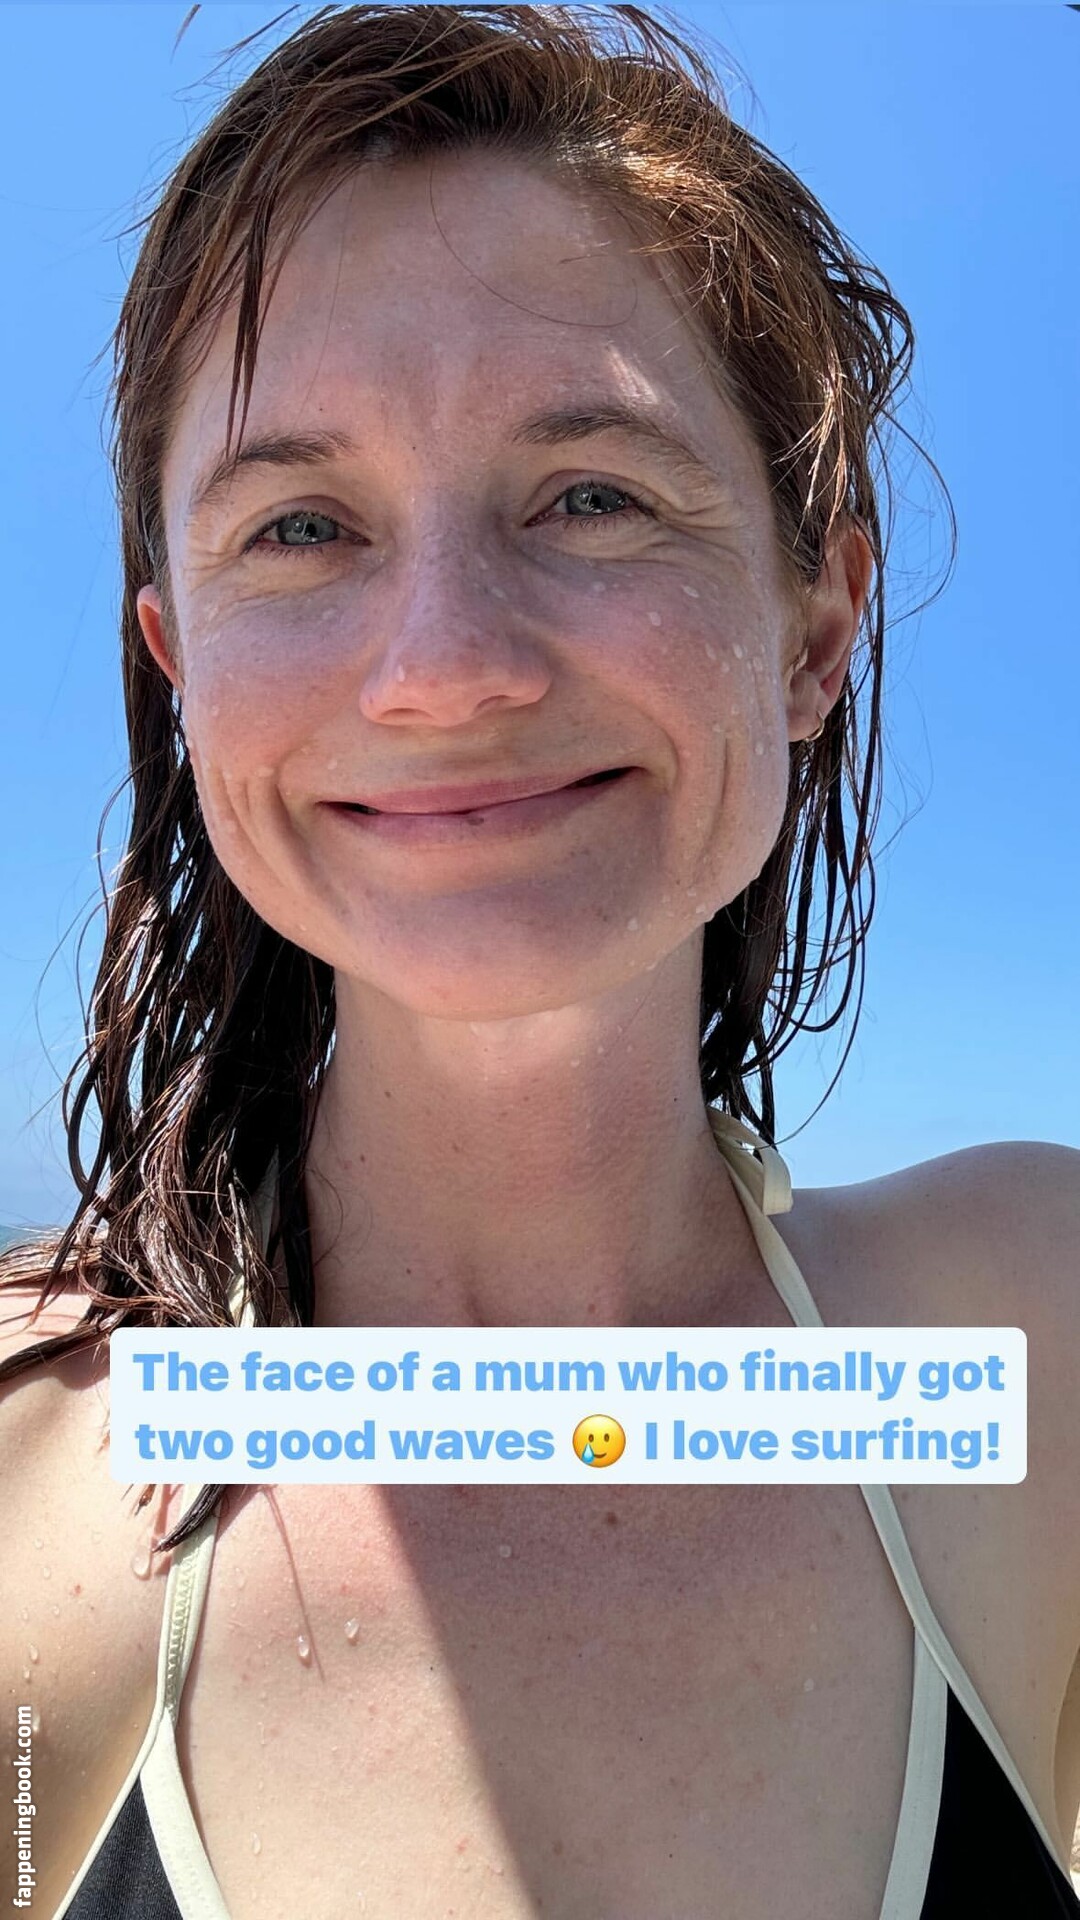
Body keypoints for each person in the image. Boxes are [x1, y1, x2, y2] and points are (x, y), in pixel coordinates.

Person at [1, 5, 1078, 1916]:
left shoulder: (1038, 1338)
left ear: (816, 625)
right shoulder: (26, 1456)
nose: (446, 664)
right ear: (181, 670)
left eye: (592, 494)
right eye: (302, 526)